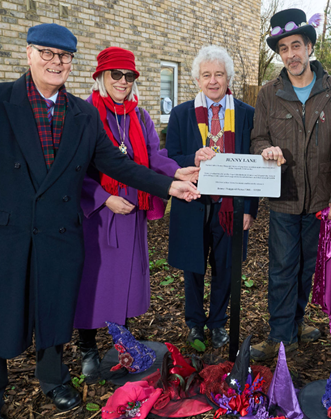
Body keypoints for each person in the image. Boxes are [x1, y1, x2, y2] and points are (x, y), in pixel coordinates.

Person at [0, 24, 199, 419]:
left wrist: (169, 186)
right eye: (46, 53)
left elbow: (116, 163)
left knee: (55, 312)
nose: (55, 62)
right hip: (1, 234)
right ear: (29, 54)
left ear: (72, 63)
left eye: (63, 56)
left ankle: (54, 380)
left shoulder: (81, 114)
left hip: (58, 233)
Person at [72, 47, 195, 382]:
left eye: (129, 76)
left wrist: (177, 173)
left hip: (133, 210)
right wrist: (102, 197)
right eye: (116, 75)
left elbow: (154, 156)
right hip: (97, 213)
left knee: (124, 283)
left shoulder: (139, 116)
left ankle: (122, 344)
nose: (123, 82)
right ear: (100, 77)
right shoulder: (84, 113)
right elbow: (73, 169)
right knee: (92, 284)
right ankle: (87, 349)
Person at [249, 8, 331, 361]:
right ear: (279, 55)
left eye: (297, 46)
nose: (291, 55)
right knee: (282, 267)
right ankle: (281, 338)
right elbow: (257, 140)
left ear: (309, 47)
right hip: (283, 197)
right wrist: (266, 151)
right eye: (284, 49)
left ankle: (295, 322)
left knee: (307, 268)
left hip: (322, 201)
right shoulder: (268, 94)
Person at [166, 46, 258, 349]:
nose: (213, 80)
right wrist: (193, 156)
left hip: (232, 205)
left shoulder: (246, 114)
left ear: (228, 76)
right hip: (192, 202)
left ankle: (218, 323)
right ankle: (194, 323)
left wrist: (250, 210)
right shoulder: (180, 114)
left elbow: (255, 164)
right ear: (197, 79)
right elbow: (169, 158)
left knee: (226, 267)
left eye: (219, 74)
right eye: (207, 75)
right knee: (193, 267)